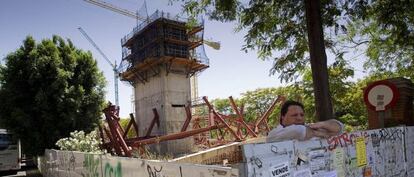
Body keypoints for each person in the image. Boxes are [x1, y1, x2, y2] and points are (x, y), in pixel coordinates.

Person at [266, 100, 344, 143]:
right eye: (294, 115)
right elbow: (298, 131)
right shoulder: (274, 134)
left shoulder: (309, 128)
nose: (299, 118)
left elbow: (339, 127)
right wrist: (317, 133)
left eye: (302, 115)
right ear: (283, 117)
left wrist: (321, 124)